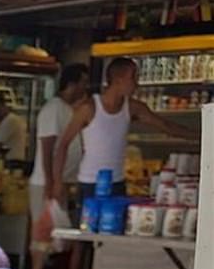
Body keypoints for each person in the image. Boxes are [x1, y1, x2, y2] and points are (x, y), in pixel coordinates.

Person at [52, 56, 195, 208]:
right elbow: (63, 145)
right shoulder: (88, 108)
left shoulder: (133, 107)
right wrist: (57, 182)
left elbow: (166, 126)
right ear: (119, 79)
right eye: (133, 77)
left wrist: (202, 136)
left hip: (117, 182)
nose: (137, 83)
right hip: (90, 183)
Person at [26, 62, 89, 269]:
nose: (84, 88)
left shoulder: (67, 109)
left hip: (58, 181)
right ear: (72, 84)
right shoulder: (54, 108)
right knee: (42, 233)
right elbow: (47, 145)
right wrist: (53, 182)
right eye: (82, 83)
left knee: (51, 234)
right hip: (47, 182)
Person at [0, 93, 27, 163]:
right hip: (5, 163)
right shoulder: (2, 123)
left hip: (12, 164)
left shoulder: (10, 121)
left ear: (0, 107)